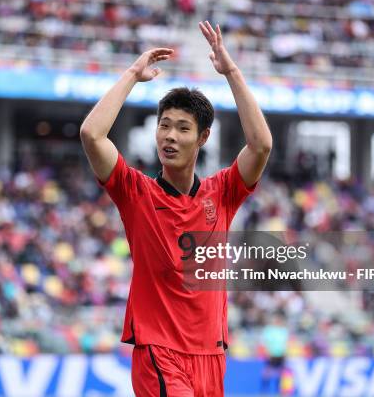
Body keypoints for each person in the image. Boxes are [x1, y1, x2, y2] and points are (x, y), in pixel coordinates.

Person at [80, 21, 272, 396]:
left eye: (182, 128)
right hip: (159, 352)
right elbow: (91, 134)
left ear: (202, 138)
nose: (169, 135)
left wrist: (231, 72)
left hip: (211, 356)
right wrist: (133, 75)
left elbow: (261, 145)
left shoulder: (223, 193)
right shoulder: (136, 192)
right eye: (163, 125)